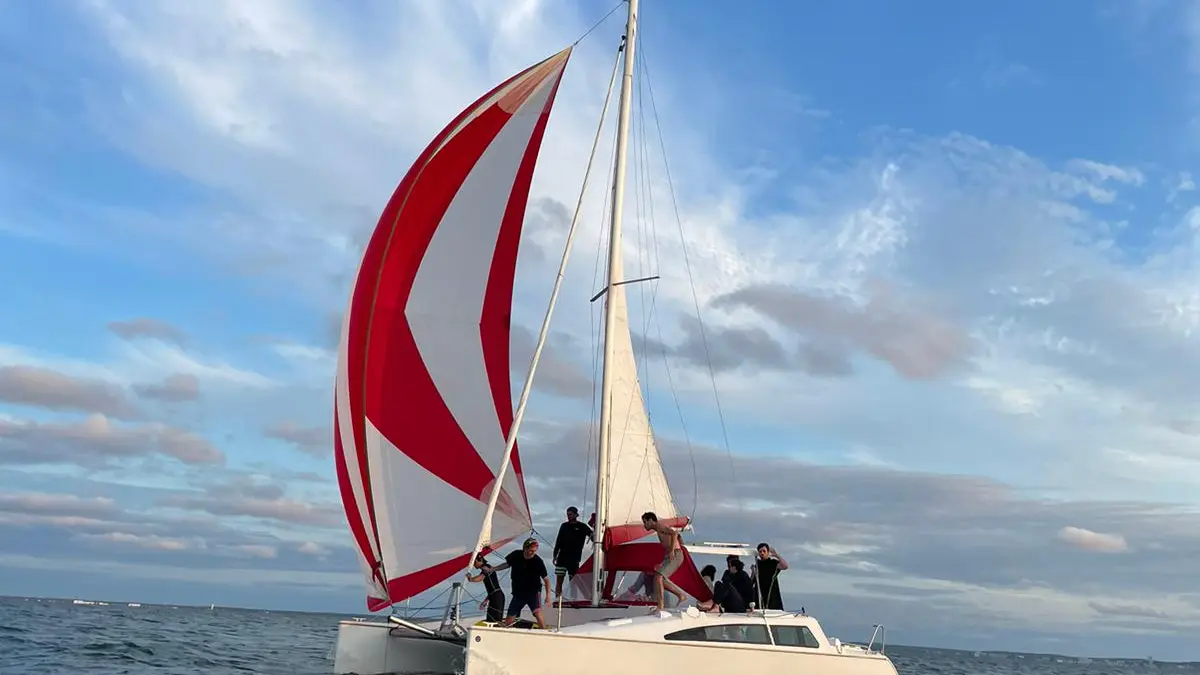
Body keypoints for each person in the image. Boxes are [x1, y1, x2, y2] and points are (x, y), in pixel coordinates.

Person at [483, 537, 551, 628]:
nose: (532, 553)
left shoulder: (538, 561)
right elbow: (507, 564)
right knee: (510, 618)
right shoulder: (516, 555)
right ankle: (506, 631)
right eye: (530, 550)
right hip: (518, 593)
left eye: (534, 551)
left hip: (533, 592)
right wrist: (494, 569)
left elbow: (546, 579)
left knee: (537, 612)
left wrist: (548, 596)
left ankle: (544, 631)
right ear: (525, 548)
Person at [641, 511, 686, 611]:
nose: (644, 525)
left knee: (658, 577)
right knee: (658, 580)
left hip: (675, 555)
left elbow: (674, 533)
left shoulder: (660, 526)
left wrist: (671, 551)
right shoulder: (658, 529)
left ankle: (660, 606)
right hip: (670, 555)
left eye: (645, 522)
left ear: (651, 520)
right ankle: (680, 595)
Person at [552, 506, 593, 600]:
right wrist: (555, 555)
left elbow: (592, 536)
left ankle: (573, 599)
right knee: (559, 580)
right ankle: (558, 599)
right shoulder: (564, 526)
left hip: (574, 559)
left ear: (575, 514)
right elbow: (558, 541)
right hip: (562, 557)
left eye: (570, 514)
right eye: (567, 515)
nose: (568, 516)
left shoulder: (582, 526)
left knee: (573, 582)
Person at [465, 553, 504, 622]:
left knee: (496, 619)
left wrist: (471, 578)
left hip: (497, 596)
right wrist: (485, 601)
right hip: (493, 596)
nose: (474, 565)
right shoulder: (485, 569)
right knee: (490, 619)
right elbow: (491, 589)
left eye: (474, 563)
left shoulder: (487, 567)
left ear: (478, 560)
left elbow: (480, 578)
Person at [750, 542, 788, 610]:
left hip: (772, 595)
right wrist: (753, 572)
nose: (762, 553)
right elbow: (751, 582)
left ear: (768, 552)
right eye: (760, 551)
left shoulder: (773, 563)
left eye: (764, 551)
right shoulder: (757, 564)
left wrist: (776, 555)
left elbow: (785, 566)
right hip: (760, 596)